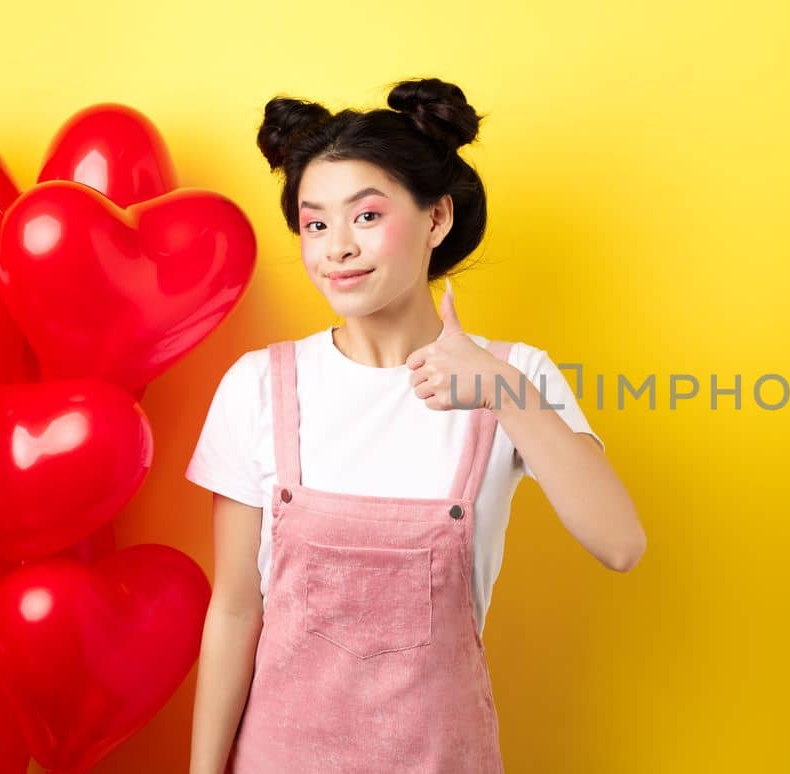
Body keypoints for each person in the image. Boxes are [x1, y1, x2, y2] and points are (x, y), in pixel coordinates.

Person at [183, 77, 644, 774]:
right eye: (315, 223)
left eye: (367, 216)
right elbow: (235, 613)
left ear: (436, 220)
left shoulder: (513, 374)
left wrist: (504, 394)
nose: (337, 247)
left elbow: (620, 543)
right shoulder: (258, 385)